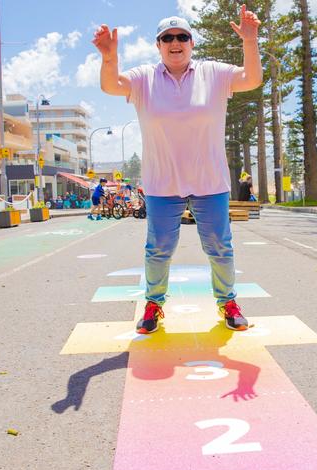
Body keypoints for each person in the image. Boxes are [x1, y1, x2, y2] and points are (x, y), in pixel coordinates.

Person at [93, 6, 263, 334]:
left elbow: (252, 79)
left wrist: (251, 41)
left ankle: (228, 302)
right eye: (167, 38)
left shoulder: (214, 74)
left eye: (182, 36)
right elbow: (111, 86)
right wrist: (109, 58)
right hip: (162, 183)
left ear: (192, 43)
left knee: (219, 245)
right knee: (158, 249)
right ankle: (154, 305)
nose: (175, 42)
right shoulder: (144, 78)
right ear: (158, 45)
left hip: (210, 180)